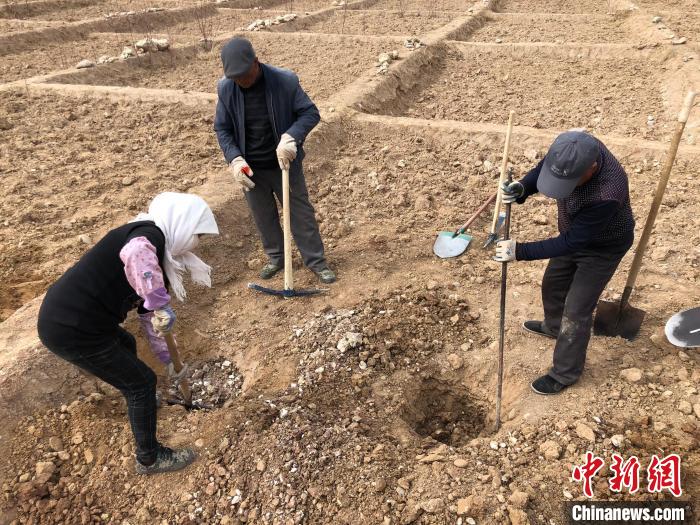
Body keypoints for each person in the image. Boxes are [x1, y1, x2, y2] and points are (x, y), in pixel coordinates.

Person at [37, 192, 219, 474]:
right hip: (70, 327)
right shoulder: (150, 237)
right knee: (142, 383)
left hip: (79, 319)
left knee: (126, 342)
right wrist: (159, 301)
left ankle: (137, 400)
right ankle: (150, 458)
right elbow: (136, 255)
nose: (197, 243)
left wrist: (168, 358)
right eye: (199, 235)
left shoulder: (157, 252)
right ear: (183, 223)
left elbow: (149, 318)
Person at [494, 131, 635, 395]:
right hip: (573, 234)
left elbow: (573, 242)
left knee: (577, 309)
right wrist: (523, 187)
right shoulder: (570, 148)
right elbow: (545, 169)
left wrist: (519, 251)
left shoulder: (608, 191)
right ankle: (553, 327)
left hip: (603, 248)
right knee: (553, 284)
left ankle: (565, 373)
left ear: (591, 169)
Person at [213, 37, 336, 284]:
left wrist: (292, 137)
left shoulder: (284, 81)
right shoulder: (226, 89)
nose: (242, 82)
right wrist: (235, 159)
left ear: (256, 63)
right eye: (236, 78)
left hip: (284, 163)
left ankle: (316, 261)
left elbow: (310, 113)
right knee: (262, 215)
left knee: (300, 213)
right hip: (251, 167)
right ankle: (277, 258)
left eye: (245, 76)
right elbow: (222, 129)